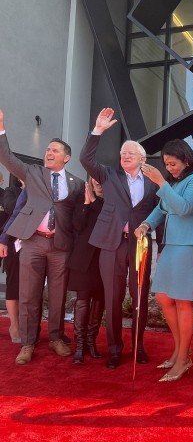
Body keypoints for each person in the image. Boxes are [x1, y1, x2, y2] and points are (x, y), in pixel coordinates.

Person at [0, 108, 85, 365]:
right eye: (47, 149)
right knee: (29, 294)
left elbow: (80, 218)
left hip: (61, 246)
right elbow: (7, 157)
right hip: (33, 242)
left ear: (66, 157)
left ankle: (56, 338)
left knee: (58, 294)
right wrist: (2, 130)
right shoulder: (33, 173)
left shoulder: (77, 183)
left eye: (55, 150)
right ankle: (28, 342)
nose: (49, 153)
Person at [80, 107, 158, 369]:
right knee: (112, 297)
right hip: (112, 242)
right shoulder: (109, 174)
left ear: (142, 158)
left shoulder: (153, 181)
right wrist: (97, 131)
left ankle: (138, 347)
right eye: (122, 152)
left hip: (140, 244)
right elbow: (85, 159)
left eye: (130, 153)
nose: (124, 155)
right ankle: (114, 348)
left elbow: (161, 210)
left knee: (140, 296)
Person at [134, 139, 193, 382]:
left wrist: (161, 182)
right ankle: (180, 350)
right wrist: (147, 223)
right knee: (163, 297)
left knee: (183, 301)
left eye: (173, 163)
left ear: (186, 160)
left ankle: (182, 359)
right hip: (172, 244)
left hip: (190, 245)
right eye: (167, 164)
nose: (170, 168)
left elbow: (185, 208)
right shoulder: (174, 182)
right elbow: (163, 207)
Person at [67, 177, 105, 365]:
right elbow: (77, 225)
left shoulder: (111, 200)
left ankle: (91, 343)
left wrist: (94, 203)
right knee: (82, 302)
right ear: (89, 181)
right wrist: (86, 203)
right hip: (83, 259)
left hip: (103, 260)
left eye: (101, 179)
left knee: (99, 302)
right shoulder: (81, 198)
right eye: (94, 179)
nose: (97, 182)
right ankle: (80, 346)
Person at [0, 185, 26, 343]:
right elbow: (12, 208)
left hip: (30, 244)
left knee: (26, 286)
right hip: (10, 241)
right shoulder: (11, 191)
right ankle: (14, 325)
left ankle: (25, 326)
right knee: (13, 284)